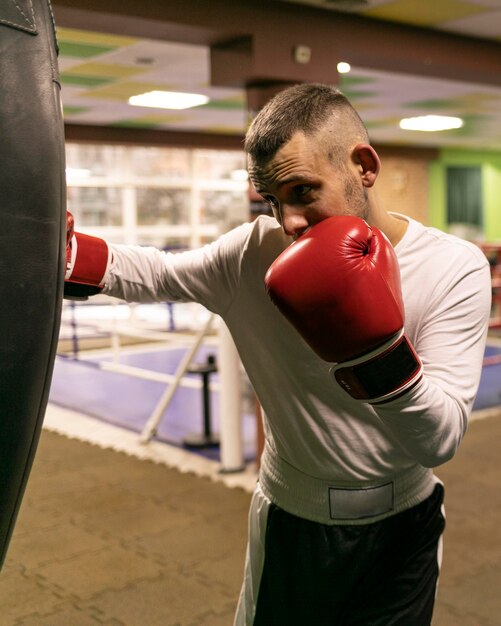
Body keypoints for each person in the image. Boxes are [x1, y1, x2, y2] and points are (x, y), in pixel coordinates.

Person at [65, 83, 492, 625]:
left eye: (303, 191)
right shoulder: (253, 254)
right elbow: (158, 271)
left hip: (403, 531)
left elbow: (439, 440)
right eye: (272, 199)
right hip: (296, 521)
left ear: (363, 166)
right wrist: (61, 253)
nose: (287, 220)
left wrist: (372, 349)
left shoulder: (455, 268)